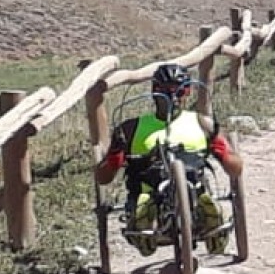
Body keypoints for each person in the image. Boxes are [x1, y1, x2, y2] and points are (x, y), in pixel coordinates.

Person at [95, 63, 244, 256]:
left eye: (179, 90)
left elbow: (235, 168)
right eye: (165, 90)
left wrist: (221, 150)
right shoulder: (130, 128)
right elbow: (104, 177)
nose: (172, 97)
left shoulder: (202, 123)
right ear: (154, 91)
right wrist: (115, 156)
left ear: (188, 91)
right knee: (144, 200)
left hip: (192, 185)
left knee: (201, 195)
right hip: (148, 185)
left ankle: (209, 218)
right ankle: (145, 221)